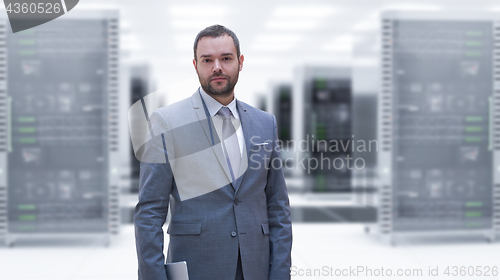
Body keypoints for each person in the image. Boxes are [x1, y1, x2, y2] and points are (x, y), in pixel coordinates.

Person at [134, 24, 292, 280]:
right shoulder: (167, 121)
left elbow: (278, 207)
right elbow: (150, 211)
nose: (217, 66)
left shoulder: (265, 123)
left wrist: (281, 272)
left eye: (226, 58)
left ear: (240, 62)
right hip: (198, 265)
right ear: (195, 65)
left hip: (256, 266)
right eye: (207, 60)